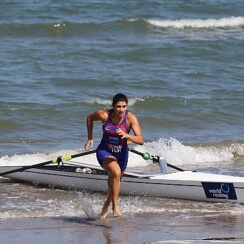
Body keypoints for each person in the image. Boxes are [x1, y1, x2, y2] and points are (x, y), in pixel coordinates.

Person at [84, 93, 144, 220]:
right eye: (118, 107)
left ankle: (106, 204)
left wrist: (128, 136)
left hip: (122, 153)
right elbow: (89, 118)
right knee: (116, 173)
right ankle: (115, 207)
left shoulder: (130, 118)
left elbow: (140, 139)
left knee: (115, 179)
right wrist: (90, 137)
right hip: (105, 151)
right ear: (113, 107)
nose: (121, 109)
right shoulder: (104, 115)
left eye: (124, 106)